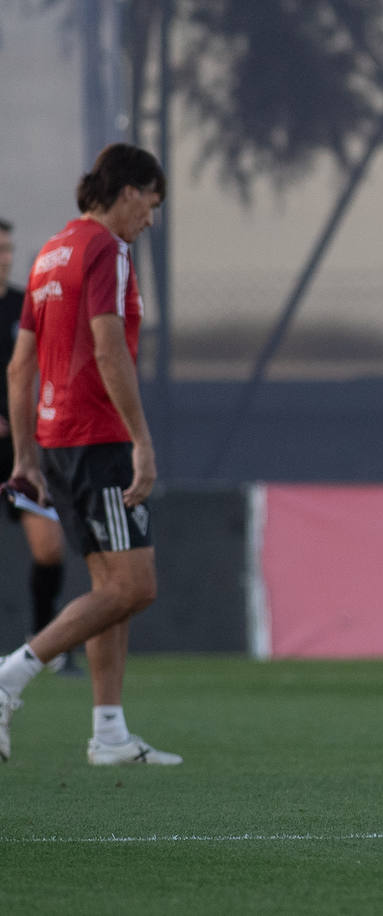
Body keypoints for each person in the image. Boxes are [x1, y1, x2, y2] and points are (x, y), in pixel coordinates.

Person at [0, 142, 180, 765]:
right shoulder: (107, 249)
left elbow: (20, 364)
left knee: (113, 584)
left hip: (55, 440)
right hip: (98, 437)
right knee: (136, 584)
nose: (150, 220)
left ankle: (108, 732)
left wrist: (25, 453)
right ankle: (11, 675)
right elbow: (110, 350)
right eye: (151, 204)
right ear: (129, 191)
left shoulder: (51, 251)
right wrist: (142, 441)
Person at [1, 218, 73, 676]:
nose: (4, 256)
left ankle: (46, 646)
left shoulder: (21, 305)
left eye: (8, 248)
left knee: (49, 549)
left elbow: (41, 365)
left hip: (20, 451)